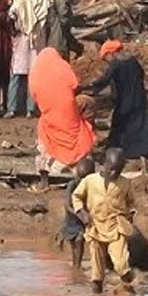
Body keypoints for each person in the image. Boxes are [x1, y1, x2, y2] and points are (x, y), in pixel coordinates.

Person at [28, 47, 96, 190]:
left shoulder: (35, 73)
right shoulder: (62, 66)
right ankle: (81, 160)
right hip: (68, 113)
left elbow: (34, 96)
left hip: (50, 116)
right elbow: (74, 84)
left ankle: (44, 179)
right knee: (88, 105)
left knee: (43, 131)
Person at [86, 40, 148, 171]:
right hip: (140, 100)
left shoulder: (115, 65)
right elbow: (141, 75)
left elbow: (104, 81)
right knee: (142, 128)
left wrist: (89, 88)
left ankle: (116, 159)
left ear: (111, 53)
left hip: (124, 102)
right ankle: (144, 159)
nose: (106, 61)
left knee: (119, 130)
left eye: (105, 58)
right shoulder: (132, 61)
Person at [71, 148, 137, 294]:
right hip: (94, 226)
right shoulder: (90, 181)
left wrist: (130, 216)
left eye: (118, 171)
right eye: (111, 169)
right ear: (104, 164)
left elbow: (131, 202)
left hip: (116, 226)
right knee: (96, 272)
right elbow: (76, 197)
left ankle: (130, 282)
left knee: (121, 265)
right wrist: (82, 213)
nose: (114, 173)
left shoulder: (125, 183)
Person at [7, 0, 51, 118]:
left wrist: (14, 31)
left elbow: (11, 16)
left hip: (21, 38)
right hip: (38, 38)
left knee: (17, 74)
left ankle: (12, 108)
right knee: (34, 73)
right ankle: (30, 109)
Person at [59, 156, 96, 269]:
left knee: (80, 240)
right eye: (81, 178)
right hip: (72, 219)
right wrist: (81, 214)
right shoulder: (72, 185)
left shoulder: (92, 185)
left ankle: (77, 266)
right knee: (73, 244)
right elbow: (68, 205)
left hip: (82, 219)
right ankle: (75, 266)